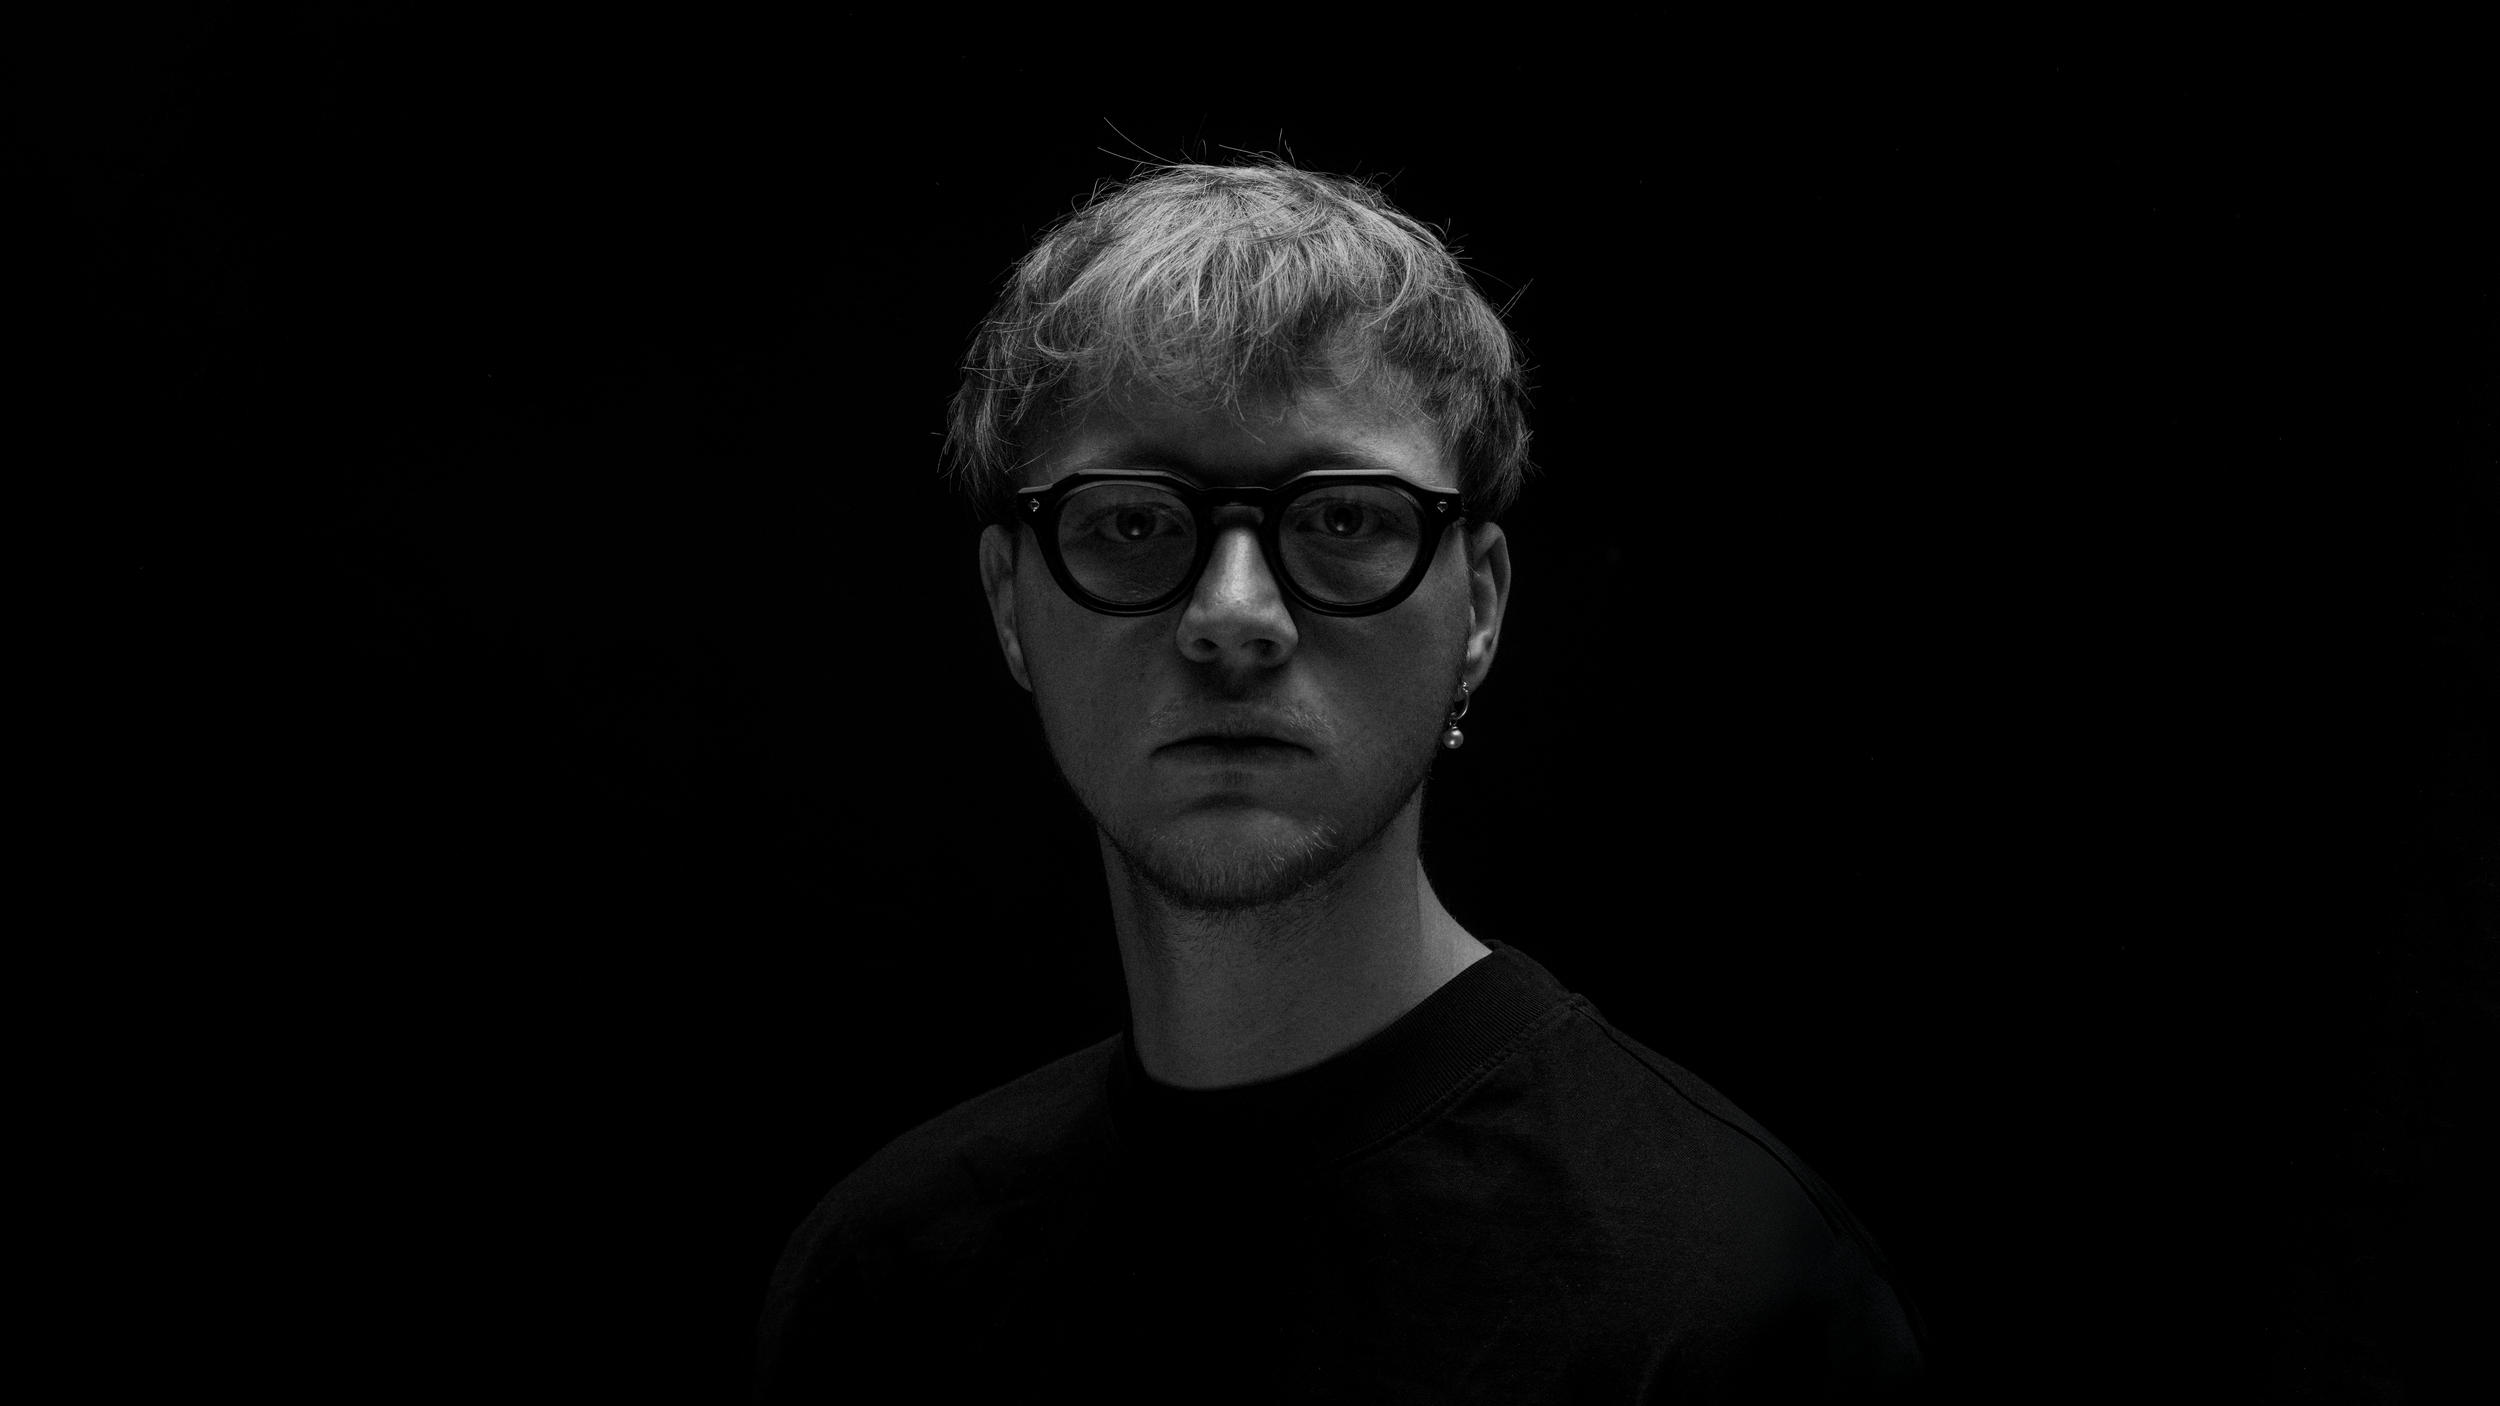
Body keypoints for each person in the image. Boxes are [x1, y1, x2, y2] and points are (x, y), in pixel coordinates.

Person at [755, 161, 1927, 1403]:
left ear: (1476, 606)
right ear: (1008, 604)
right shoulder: (883, 1290)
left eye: (1345, 519)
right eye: (1134, 522)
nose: (1233, 616)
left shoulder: (1729, 1306)